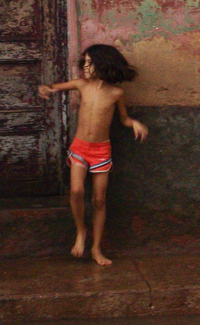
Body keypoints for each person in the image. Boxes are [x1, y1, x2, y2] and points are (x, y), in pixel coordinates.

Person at [39, 45, 149, 266]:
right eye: (85, 63)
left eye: (90, 63)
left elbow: (124, 119)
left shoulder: (117, 93)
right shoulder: (81, 85)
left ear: (103, 64)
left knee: (99, 200)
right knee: (77, 191)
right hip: (80, 148)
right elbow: (54, 86)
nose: (85, 67)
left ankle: (96, 248)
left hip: (101, 152)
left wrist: (134, 123)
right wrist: (46, 87)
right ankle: (81, 231)